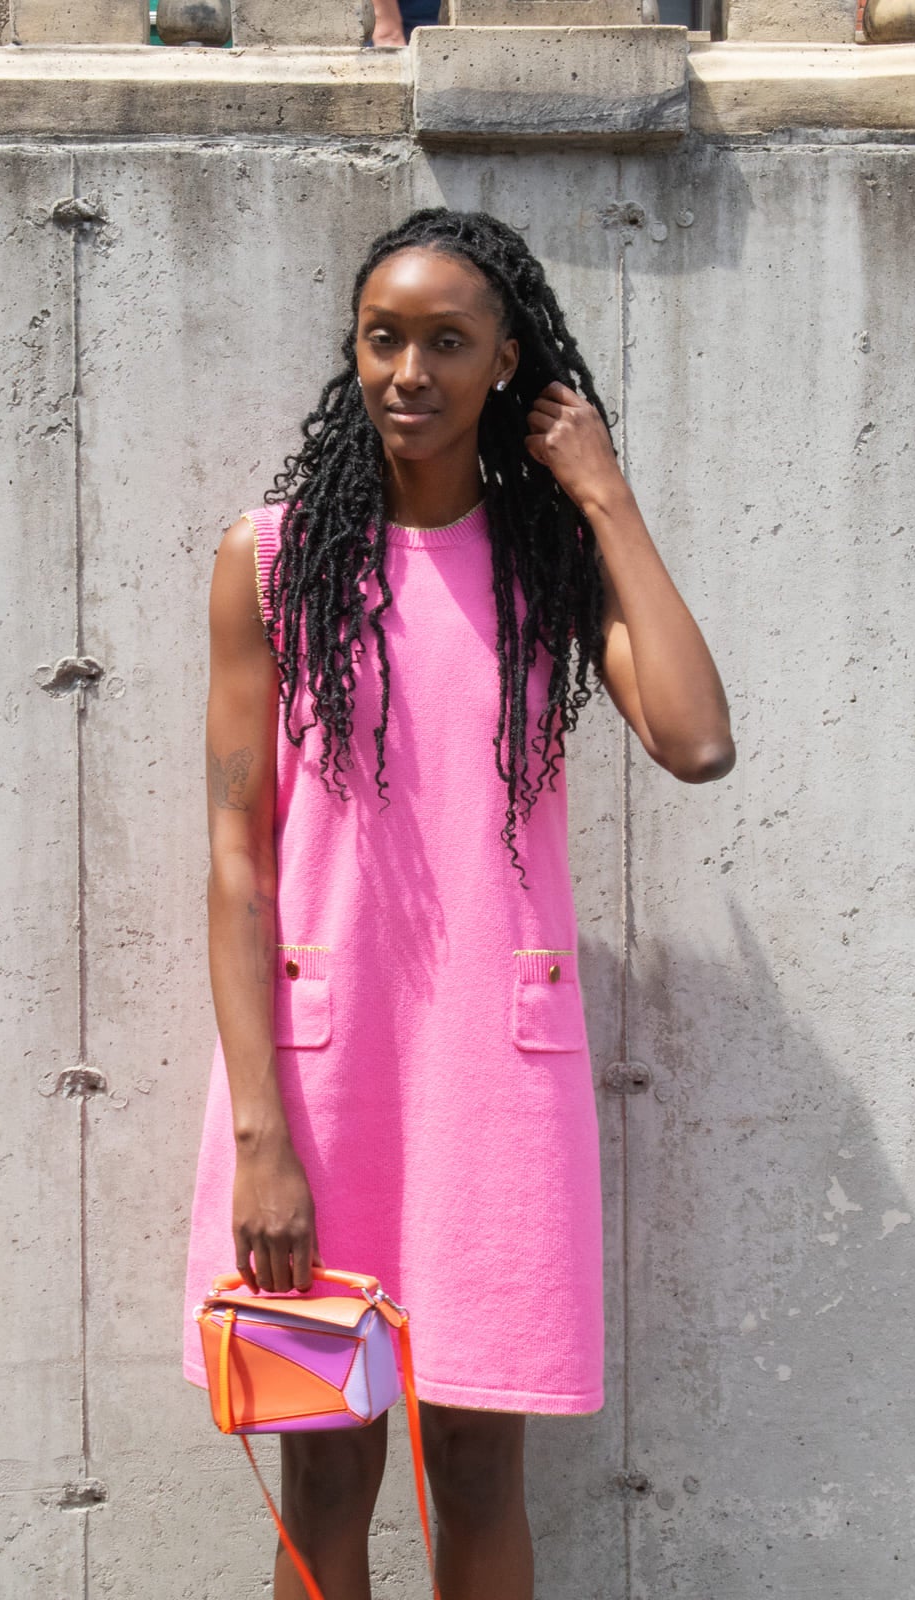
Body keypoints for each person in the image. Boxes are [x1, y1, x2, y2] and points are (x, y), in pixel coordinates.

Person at [181, 207, 734, 1600]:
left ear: (508, 366)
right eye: (383, 338)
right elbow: (238, 859)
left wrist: (601, 494)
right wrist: (260, 1136)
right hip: (321, 1080)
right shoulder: (271, 563)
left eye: (448, 342)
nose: (408, 371)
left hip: (496, 1078)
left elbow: (696, 739)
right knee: (322, 1468)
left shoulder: (549, 573)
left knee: (480, 1465)